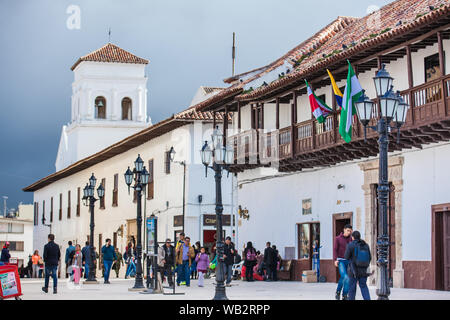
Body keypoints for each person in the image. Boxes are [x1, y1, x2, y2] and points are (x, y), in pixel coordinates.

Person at [344, 231, 372, 300]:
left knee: (352, 288)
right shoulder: (365, 245)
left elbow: (346, 257)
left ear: (352, 237)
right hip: (364, 270)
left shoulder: (350, 245)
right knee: (363, 286)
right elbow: (370, 257)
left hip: (353, 270)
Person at [333, 224, 353, 300]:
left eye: (350, 231)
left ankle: (339, 293)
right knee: (346, 277)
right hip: (340, 261)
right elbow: (335, 249)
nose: (349, 232)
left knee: (343, 277)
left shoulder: (351, 239)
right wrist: (335, 260)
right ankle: (344, 294)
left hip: (349, 261)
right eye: (348, 230)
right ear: (344, 229)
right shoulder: (337, 238)